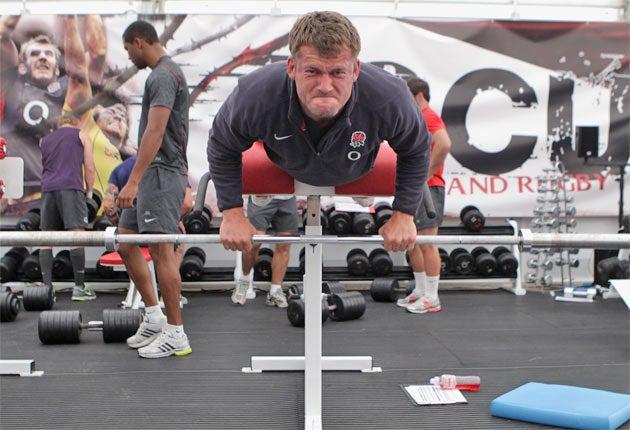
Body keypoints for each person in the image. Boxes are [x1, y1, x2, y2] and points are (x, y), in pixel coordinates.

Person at [207, 11, 431, 254]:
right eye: (312, 71)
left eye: (337, 73)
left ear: (355, 70)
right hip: (286, 162)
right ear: (291, 67)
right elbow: (222, 145)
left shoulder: (390, 98)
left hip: (355, 168)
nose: (325, 87)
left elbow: (416, 148)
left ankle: (361, 193)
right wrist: (231, 213)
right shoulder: (255, 95)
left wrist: (404, 214)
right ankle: (265, 193)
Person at [116, 20, 191, 359]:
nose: (130, 56)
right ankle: (154, 315)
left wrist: (133, 180)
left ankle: (176, 334)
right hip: (151, 173)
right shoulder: (159, 75)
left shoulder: (163, 75)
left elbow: (155, 132)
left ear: (139, 41)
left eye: (129, 49)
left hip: (161, 173)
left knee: (160, 251)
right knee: (125, 239)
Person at [0, 15, 117, 214]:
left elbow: (91, 61)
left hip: (52, 194)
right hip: (11, 197)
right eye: (35, 54)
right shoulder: (12, 85)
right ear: (22, 65)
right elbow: (3, 36)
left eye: (48, 54)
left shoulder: (66, 92)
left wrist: (71, 16)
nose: (42, 57)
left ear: (57, 69)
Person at [398, 77, 452, 314]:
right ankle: (421, 290)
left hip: (431, 188)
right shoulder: (419, 118)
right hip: (419, 189)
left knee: (428, 243)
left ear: (418, 95)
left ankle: (433, 296)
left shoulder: (428, 115)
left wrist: (425, 174)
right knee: (413, 242)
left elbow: (444, 143)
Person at [38, 113, 96, 301]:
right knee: (76, 235)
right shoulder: (81, 135)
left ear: (60, 124)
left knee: (46, 238)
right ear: (76, 123)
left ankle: (46, 289)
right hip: (71, 187)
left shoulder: (44, 140)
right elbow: (89, 168)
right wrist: (89, 194)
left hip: (48, 190)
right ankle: (79, 287)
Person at [232, 195, 297, 307]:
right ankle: (244, 280)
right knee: (254, 242)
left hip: (287, 197)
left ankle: (275, 291)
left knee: (284, 244)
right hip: (262, 196)